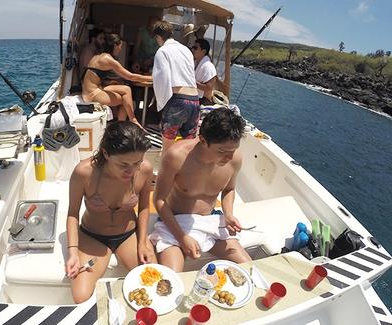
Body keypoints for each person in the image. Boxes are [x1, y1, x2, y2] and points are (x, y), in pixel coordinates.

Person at [65, 121, 157, 303]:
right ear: (106, 153)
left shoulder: (144, 170)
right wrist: (73, 252)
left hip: (129, 235)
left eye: (136, 163)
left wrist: (142, 242)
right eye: (123, 164)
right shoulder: (84, 172)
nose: (131, 171)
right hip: (93, 236)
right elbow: (72, 214)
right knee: (80, 296)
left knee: (154, 284)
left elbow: (145, 207)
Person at [150, 108, 252, 272]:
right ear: (203, 141)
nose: (229, 157)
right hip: (174, 222)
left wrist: (229, 214)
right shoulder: (177, 156)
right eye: (222, 151)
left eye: (232, 150)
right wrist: (182, 237)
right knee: (172, 277)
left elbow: (229, 189)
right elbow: (159, 200)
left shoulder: (235, 158)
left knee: (248, 268)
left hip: (209, 220)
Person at [82, 34, 152, 127]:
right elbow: (131, 76)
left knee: (126, 89)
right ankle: (129, 122)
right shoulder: (107, 59)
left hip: (91, 90)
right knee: (126, 99)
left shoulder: (99, 56)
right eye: (120, 46)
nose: (120, 49)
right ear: (115, 45)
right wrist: (153, 78)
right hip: (92, 94)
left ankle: (122, 123)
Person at [152, 20, 200, 152]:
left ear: (158, 37)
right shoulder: (186, 50)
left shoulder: (163, 51)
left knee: (167, 149)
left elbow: (162, 79)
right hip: (194, 101)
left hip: (178, 101)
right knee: (186, 149)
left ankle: (166, 171)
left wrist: (161, 107)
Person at [192, 38, 217, 106]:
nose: (193, 50)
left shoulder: (209, 67)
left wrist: (192, 81)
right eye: (193, 47)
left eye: (195, 48)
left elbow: (208, 88)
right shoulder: (194, 62)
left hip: (202, 100)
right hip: (193, 96)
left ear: (203, 51)